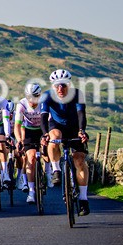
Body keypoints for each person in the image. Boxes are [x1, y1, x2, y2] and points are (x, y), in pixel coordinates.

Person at [40, 69, 91, 216]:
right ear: (53, 86)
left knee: (80, 161)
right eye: (57, 86)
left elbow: (82, 114)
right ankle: (56, 170)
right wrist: (44, 135)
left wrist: (82, 130)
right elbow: (43, 117)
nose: (60, 89)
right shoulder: (47, 96)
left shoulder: (77, 94)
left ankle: (83, 199)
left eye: (63, 85)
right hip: (56, 125)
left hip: (74, 127)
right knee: (53, 136)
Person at [14, 83, 45, 204]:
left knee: (47, 152)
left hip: (42, 130)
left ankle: (48, 174)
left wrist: (46, 136)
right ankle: (31, 191)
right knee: (31, 158)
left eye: (35, 97)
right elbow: (17, 125)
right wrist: (19, 140)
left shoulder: (44, 103)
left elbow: (49, 120)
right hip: (28, 131)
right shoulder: (21, 104)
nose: (32, 100)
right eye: (29, 97)